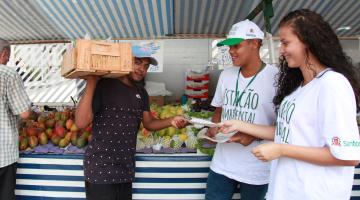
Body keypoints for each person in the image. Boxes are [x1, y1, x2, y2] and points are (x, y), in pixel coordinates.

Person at [220, 9, 360, 200]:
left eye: (285, 43)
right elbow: (285, 133)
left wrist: (281, 149)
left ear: (308, 41)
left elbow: (347, 156)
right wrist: (239, 124)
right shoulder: (300, 88)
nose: (281, 50)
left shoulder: (332, 84)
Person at [75, 45, 188, 200]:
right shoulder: (104, 85)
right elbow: (81, 122)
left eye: (146, 66)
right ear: (125, 61)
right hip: (100, 168)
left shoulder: (141, 93)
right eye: (137, 62)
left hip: (125, 169)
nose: (142, 69)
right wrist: (92, 81)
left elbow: (149, 123)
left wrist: (171, 120)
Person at [205, 20, 278, 200]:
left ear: (254, 44)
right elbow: (218, 112)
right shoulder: (226, 75)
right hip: (222, 164)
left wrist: (254, 135)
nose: (231, 51)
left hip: (257, 167)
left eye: (236, 46)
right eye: (229, 47)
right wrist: (212, 129)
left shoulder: (276, 78)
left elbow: (285, 125)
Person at [0, 39, 31, 200]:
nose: (8, 60)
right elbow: (24, 113)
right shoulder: (7, 73)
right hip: (3, 154)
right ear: (4, 53)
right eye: (8, 56)